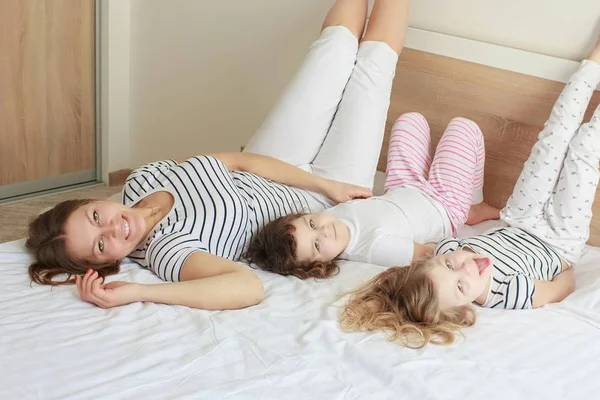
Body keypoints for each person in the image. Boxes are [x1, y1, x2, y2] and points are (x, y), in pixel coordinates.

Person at [25, 0, 410, 310]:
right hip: (318, 210)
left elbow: (239, 162)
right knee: (373, 66)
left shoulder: (141, 179)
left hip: (274, 161)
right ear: (105, 263)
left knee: (335, 49)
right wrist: (136, 292)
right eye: (101, 245)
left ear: (93, 200)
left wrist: (320, 181)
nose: (114, 228)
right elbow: (247, 287)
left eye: (96, 217)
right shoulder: (166, 250)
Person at [339, 37, 600, 348]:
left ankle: (593, 62)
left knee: (553, 139)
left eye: (450, 264)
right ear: (463, 311)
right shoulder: (506, 294)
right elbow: (558, 290)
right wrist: (566, 265)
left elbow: (427, 239)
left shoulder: (446, 246)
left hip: (516, 218)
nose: (466, 267)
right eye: (462, 286)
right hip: (557, 241)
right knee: (584, 149)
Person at [246, 111, 499, 279]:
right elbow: (428, 253)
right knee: (464, 128)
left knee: (409, 121)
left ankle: (462, 200)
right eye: (317, 244)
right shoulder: (372, 248)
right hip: (443, 206)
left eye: (311, 223)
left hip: (404, 188)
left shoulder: (329, 215)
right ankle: (471, 206)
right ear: (319, 264)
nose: (323, 230)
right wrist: (451, 234)